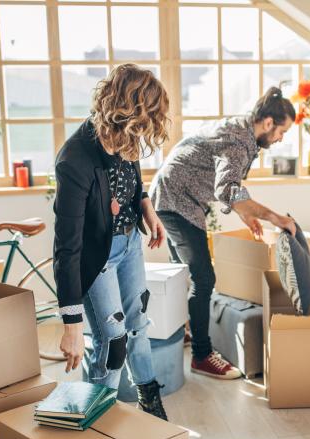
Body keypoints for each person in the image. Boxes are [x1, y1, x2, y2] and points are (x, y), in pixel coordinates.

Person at [150, 87, 297, 380]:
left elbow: (228, 185)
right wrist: (275, 217)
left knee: (188, 275)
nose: (281, 138)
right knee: (204, 278)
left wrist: (245, 212)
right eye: (282, 131)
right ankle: (202, 356)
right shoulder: (238, 141)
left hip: (179, 197)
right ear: (268, 123)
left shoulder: (243, 132)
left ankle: (186, 331)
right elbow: (227, 189)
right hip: (175, 200)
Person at [53, 64, 169, 420]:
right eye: (146, 119)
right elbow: (66, 248)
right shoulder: (75, 160)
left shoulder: (124, 135)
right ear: (127, 112)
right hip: (95, 256)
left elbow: (132, 172)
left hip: (129, 242)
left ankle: (149, 401)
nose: (146, 132)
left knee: (138, 324)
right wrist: (71, 327)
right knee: (113, 340)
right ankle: (97, 417)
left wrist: (146, 207)